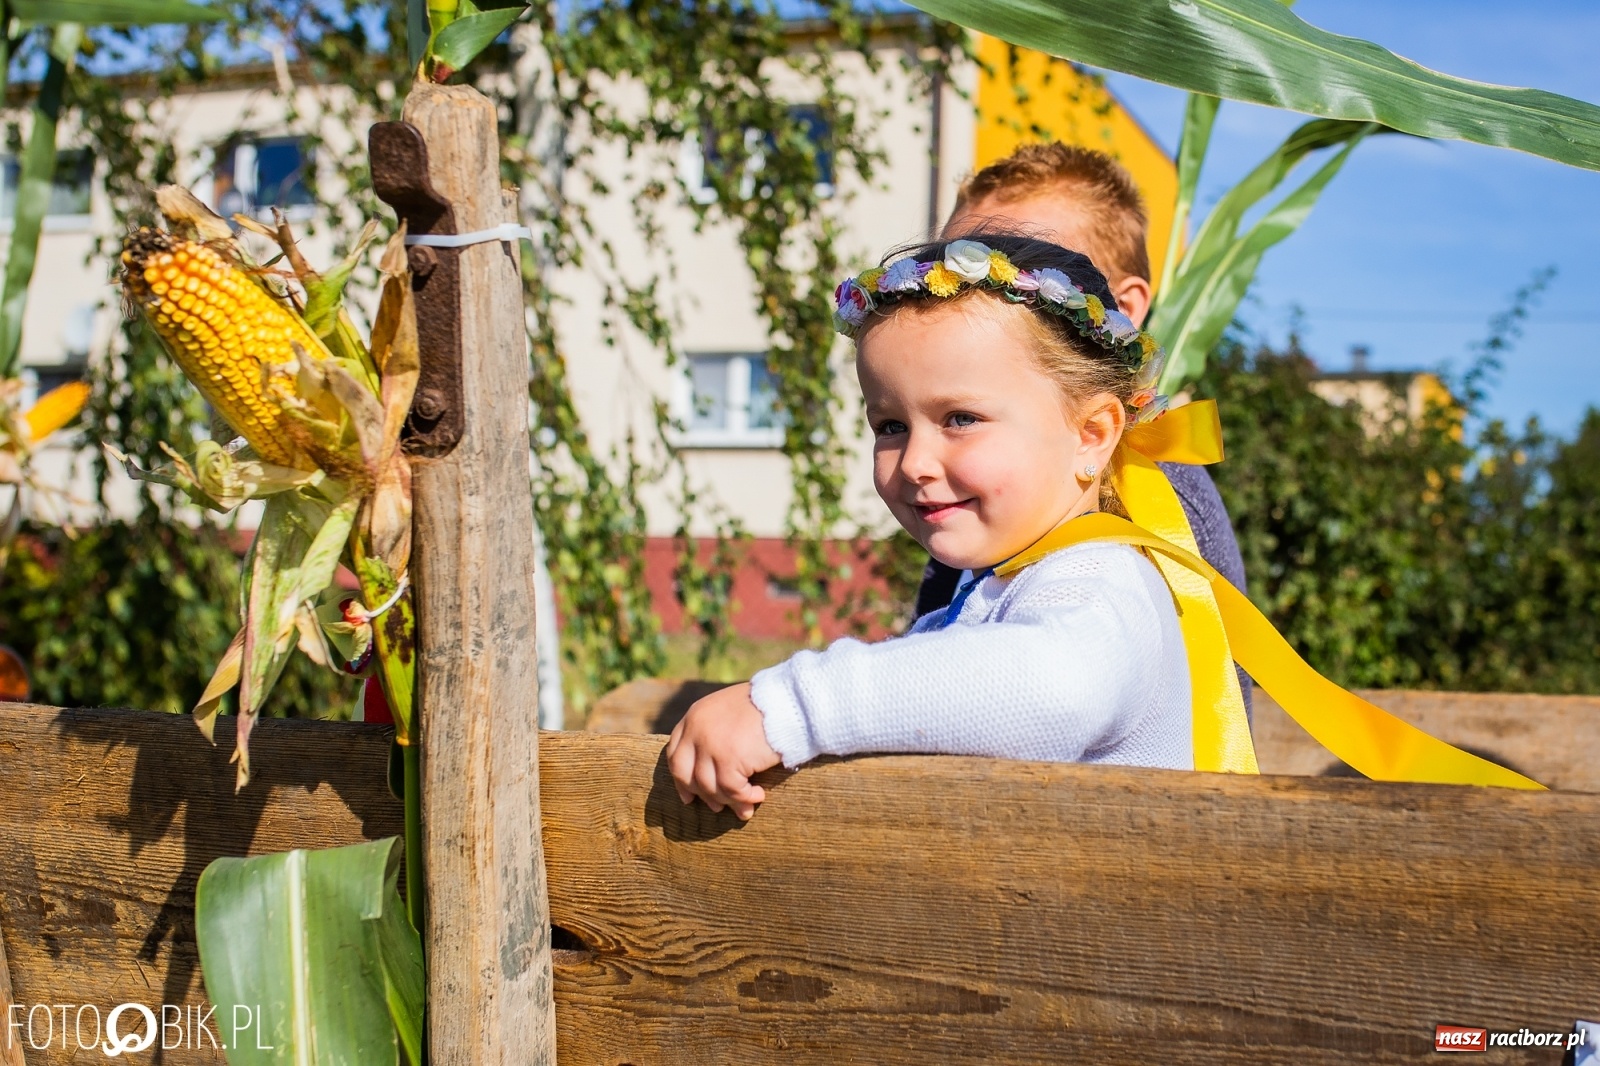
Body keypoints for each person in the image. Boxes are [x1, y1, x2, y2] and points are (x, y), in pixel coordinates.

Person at [668, 233, 1197, 819]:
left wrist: (790, 708)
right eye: (890, 425)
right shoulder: (1000, 588)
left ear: (1090, 435)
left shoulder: (1102, 583)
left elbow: (1056, 689)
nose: (915, 463)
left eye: (961, 418)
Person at [924, 144, 1251, 717]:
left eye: (1017, 281)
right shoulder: (992, 482)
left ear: (1121, 308)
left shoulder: (1153, 495)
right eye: (949, 276)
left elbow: (1053, 683)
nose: (968, 308)